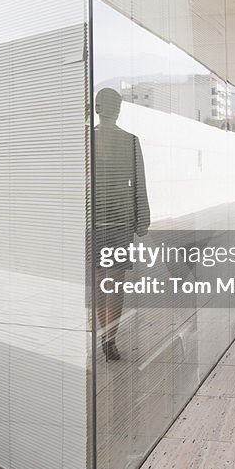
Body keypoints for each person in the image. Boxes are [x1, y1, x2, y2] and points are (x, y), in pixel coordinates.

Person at [94, 88, 150, 361]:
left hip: (93, 220)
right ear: (118, 109)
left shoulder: (87, 139)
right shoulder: (129, 140)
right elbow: (139, 182)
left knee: (97, 280)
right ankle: (109, 339)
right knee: (115, 282)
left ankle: (104, 334)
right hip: (119, 221)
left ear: (97, 107)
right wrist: (143, 219)